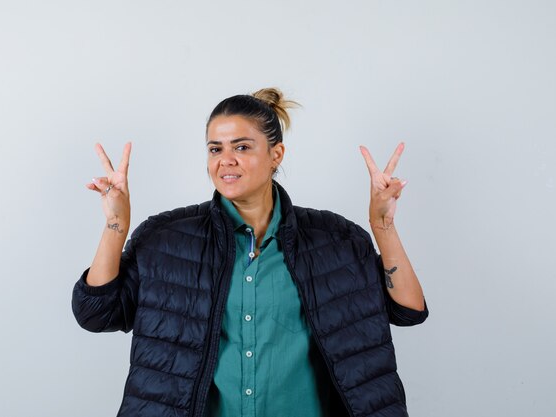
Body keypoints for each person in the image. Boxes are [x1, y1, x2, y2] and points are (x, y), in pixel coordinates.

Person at [72, 88, 428, 417]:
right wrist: (116, 223)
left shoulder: (336, 240)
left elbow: (408, 310)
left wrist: (383, 227)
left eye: (241, 147)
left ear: (276, 155)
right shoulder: (165, 239)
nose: (225, 160)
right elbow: (96, 313)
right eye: (216, 149)